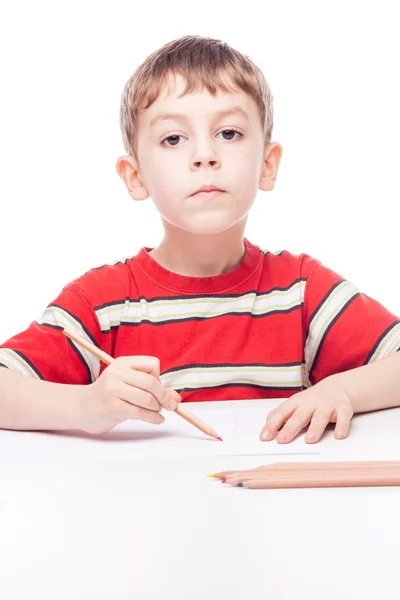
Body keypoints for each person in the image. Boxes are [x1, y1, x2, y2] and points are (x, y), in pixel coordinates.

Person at [0, 35, 399, 443]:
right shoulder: (103, 303)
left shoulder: (300, 291)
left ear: (267, 164)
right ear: (135, 177)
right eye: (174, 139)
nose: (205, 155)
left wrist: (342, 389)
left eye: (228, 133)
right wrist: (87, 406)